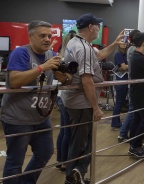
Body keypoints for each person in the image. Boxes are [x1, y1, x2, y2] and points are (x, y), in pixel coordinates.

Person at [1, 20, 70, 184]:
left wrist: (63, 77)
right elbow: (14, 81)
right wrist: (42, 68)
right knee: (15, 160)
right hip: (18, 118)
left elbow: (67, 79)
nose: (47, 39)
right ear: (30, 36)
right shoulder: (21, 53)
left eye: (49, 35)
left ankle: (26, 182)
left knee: (45, 153)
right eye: (42, 36)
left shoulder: (52, 56)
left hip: (41, 118)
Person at [62, 13, 123, 184]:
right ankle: (74, 175)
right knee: (82, 142)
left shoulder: (76, 42)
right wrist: (96, 107)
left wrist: (115, 44)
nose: (98, 28)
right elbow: (87, 80)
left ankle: (76, 174)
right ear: (90, 27)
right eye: (97, 25)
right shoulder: (84, 48)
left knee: (79, 140)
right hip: (82, 103)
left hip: (73, 102)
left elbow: (99, 55)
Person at [55, 32, 77, 172]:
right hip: (66, 96)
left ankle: (60, 160)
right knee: (67, 131)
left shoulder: (59, 56)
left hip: (59, 96)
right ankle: (64, 162)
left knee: (64, 130)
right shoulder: (66, 60)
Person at [111, 42, 128, 129]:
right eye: (122, 43)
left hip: (124, 79)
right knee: (119, 103)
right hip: (121, 80)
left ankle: (116, 122)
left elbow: (124, 67)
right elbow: (124, 68)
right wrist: (129, 66)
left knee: (120, 103)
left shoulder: (125, 54)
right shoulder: (118, 54)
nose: (124, 44)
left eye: (125, 43)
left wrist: (125, 66)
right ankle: (115, 122)